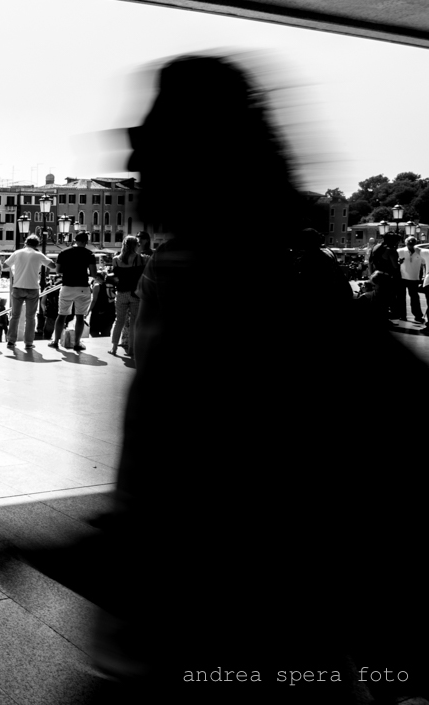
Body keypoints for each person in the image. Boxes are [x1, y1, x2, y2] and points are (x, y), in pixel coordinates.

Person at [74, 54, 429, 700]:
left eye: (151, 136)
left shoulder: (242, 288)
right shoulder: (236, 274)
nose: (131, 157)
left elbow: (207, 513)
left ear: (200, 158)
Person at [2, 235, 54, 351]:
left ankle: (11, 341)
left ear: (25, 242)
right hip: (32, 288)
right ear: (37, 244)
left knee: (14, 316)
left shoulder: (17, 253)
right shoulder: (38, 255)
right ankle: (28, 343)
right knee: (30, 317)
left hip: (18, 287)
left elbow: (5, 265)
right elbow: (52, 265)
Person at [49, 231, 98, 352]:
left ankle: (55, 341)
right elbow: (94, 273)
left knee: (62, 315)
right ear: (86, 242)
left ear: (74, 240)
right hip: (82, 287)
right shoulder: (89, 254)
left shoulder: (64, 253)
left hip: (67, 287)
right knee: (80, 316)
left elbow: (58, 271)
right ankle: (77, 343)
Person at [108, 235, 145, 357]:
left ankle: (113, 348)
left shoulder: (116, 259)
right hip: (135, 294)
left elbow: (115, 277)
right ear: (135, 245)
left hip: (122, 293)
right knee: (134, 322)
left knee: (119, 321)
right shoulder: (141, 259)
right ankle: (131, 349)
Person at [398, 236, 425, 323]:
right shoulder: (400, 251)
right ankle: (402, 315)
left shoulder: (420, 252)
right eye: (409, 243)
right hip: (402, 277)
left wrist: (423, 276)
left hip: (414, 278)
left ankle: (417, 315)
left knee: (414, 297)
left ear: (415, 243)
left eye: (412, 243)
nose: (411, 245)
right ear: (406, 243)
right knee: (402, 297)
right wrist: (399, 263)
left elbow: (424, 263)